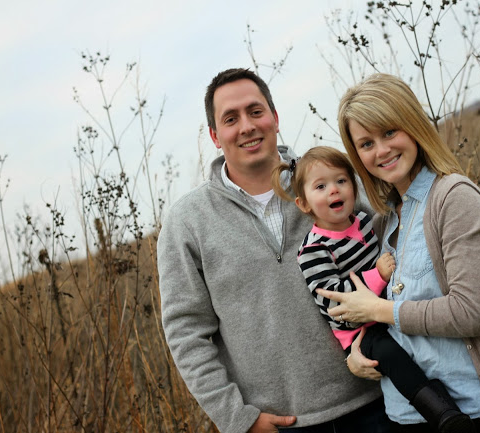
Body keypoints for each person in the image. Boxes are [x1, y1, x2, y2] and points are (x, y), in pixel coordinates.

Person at [157, 68, 390, 433]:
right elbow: (186, 331)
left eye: (255, 111)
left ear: (275, 118)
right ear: (215, 136)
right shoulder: (187, 222)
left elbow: (394, 239)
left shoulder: (333, 180)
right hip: (280, 425)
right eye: (231, 119)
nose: (247, 126)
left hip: (376, 400)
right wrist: (238, 419)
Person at [315, 73, 480, 433]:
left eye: (390, 132)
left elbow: (471, 312)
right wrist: (355, 355)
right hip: (404, 416)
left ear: (413, 124)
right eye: (366, 143)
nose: (381, 150)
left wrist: (380, 309)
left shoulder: (453, 199)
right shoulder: (382, 223)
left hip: (471, 413)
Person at [271, 146, 475, 433]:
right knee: (390, 354)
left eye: (341, 181)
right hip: (359, 332)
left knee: (426, 340)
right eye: (321, 186)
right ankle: (441, 413)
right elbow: (335, 304)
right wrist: (377, 276)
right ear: (303, 204)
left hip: (386, 311)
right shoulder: (314, 250)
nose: (334, 190)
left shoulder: (366, 223)